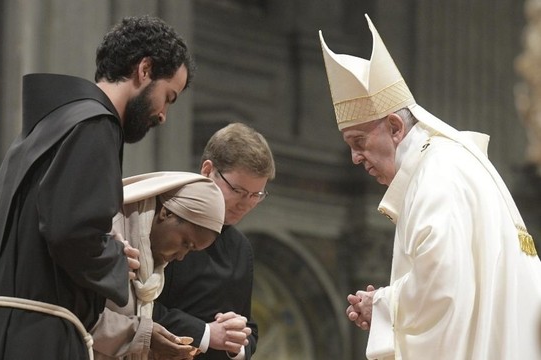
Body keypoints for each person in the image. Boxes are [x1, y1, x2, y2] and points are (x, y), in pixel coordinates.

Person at [0, 15, 195, 360]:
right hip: (40, 339)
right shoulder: (94, 126)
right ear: (144, 70)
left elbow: (46, 227)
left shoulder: (48, 126)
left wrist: (103, 243)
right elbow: (70, 233)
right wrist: (117, 258)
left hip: (0, 332)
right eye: (169, 96)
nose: (163, 114)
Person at [319, 14, 541, 360]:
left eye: (359, 141)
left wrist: (382, 304)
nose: (355, 158)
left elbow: (441, 288)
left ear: (395, 127)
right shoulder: (448, 162)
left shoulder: (436, 174)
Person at [153, 123, 276, 360]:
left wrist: (237, 341)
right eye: (238, 190)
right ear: (208, 170)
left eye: (256, 195)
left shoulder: (240, 248)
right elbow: (139, 310)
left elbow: (249, 327)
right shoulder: (164, 221)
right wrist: (206, 333)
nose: (246, 204)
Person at [91, 171, 226, 360]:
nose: (181, 257)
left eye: (191, 251)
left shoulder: (152, 259)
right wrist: (142, 335)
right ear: (166, 213)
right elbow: (75, 310)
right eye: (185, 243)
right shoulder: (108, 229)